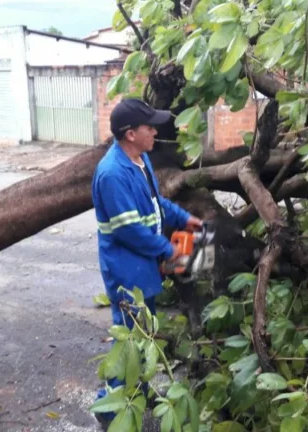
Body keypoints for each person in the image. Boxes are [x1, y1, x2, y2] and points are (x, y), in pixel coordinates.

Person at [91, 98, 203, 426]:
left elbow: (157, 203)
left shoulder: (140, 160)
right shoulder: (112, 174)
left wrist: (183, 218)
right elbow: (129, 230)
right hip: (127, 271)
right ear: (130, 134)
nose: (155, 132)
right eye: (149, 127)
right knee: (129, 343)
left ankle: (136, 393)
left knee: (144, 337)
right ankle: (110, 410)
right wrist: (169, 250)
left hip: (143, 268)